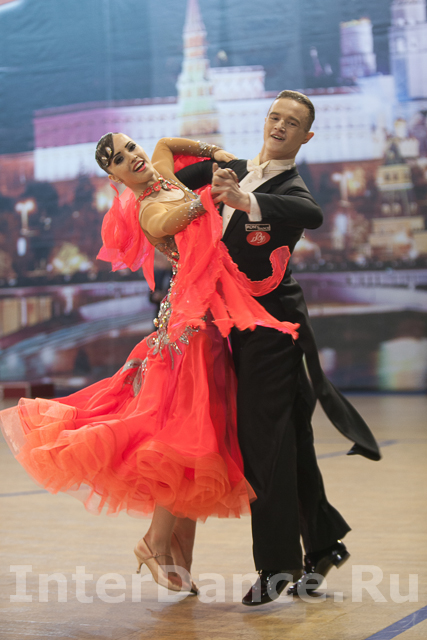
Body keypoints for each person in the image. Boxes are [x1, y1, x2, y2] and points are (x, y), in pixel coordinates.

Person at [0, 134, 299, 596]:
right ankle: (154, 543)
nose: (133, 158)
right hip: (189, 331)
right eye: (120, 160)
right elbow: (188, 213)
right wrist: (213, 191)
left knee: (203, 438)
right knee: (187, 437)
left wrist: (214, 153)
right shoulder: (149, 211)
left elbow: (166, 142)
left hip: (204, 321)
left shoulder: (161, 169)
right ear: (115, 177)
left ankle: (179, 557)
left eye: (130, 148)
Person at [176, 90, 381, 605]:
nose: (280, 126)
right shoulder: (232, 169)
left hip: (273, 331)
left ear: (306, 137)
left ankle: (277, 565)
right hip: (236, 327)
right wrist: (206, 155)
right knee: (289, 443)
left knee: (262, 442)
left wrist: (246, 202)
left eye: (292, 123)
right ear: (265, 120)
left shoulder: (291, 188)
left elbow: (310, 213)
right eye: (275, 116)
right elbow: (166, 176)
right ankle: (324, 546)